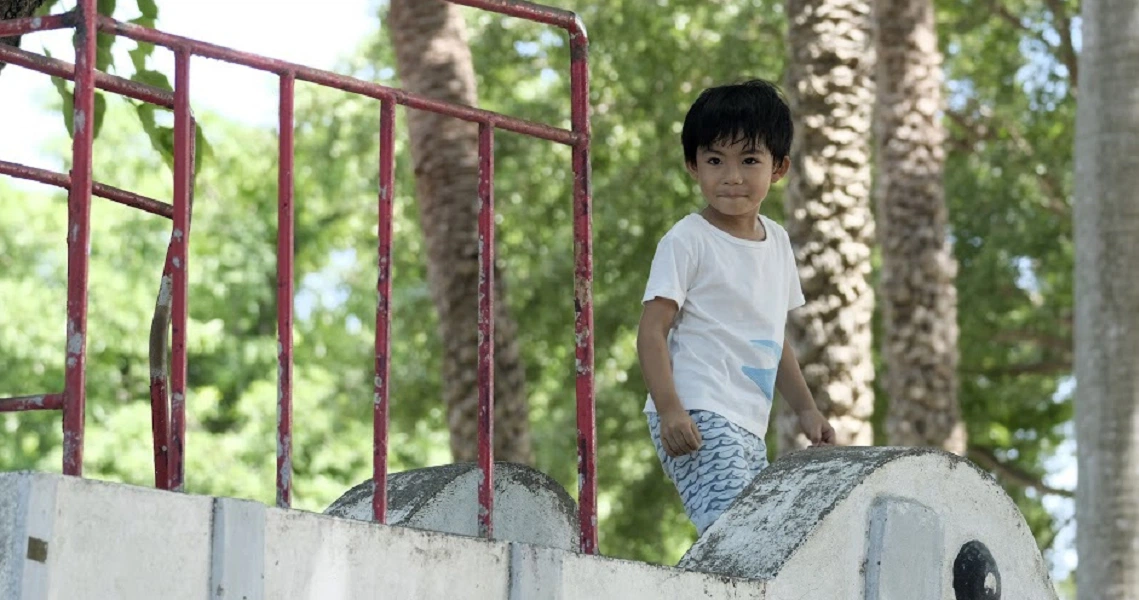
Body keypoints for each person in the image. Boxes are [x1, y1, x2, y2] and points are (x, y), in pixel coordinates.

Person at [637, 79, 837, 535]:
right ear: (693, 166)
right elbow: (651, 332)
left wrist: (806, 410)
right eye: (714, 160)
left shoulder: (779, 242)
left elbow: (772, 338)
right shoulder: (687, 239)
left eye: (749, 160)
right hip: (697, 410)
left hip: (749, 423)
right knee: (735, 532)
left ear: (779, 167)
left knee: (751, 538)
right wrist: (670, 410)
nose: (731, 176)